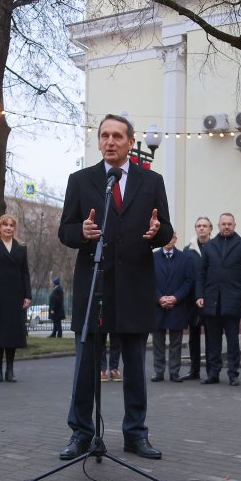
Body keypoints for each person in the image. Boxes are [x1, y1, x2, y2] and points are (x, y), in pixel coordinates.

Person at [57, 113, 173, 461]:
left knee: (135, 368)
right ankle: (80, 434)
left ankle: (135, 435)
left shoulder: (151, 181)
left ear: (130, 141)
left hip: (135, 286)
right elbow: (65, 230)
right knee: (86, 368)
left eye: (117, 136)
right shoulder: (81, 180)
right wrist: (82, 233)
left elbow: (166, 229)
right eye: (104, 136)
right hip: (94, 286)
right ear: (98, 141)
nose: (110, 142)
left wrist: (158, 234)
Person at [195, 213, 241, 386]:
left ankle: (233, 374)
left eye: (229, 224)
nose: (226, 227)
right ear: (218, 226)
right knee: (212, 341)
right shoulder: (209, 246)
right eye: (223, 224)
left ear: (235, 225)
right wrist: (199, 295)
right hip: (211, 300)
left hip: (233, 300)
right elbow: (201, 273)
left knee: (233, 340)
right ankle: (213, 373)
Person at [0, 214, 32, 383]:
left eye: (11, 225)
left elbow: (25, 273)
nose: (8, 228)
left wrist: (27, 295)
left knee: (11, 334)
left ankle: (10, 370)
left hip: (15, 296)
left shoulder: (21, 248)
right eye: (5, 225)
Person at [151, 232, 195, 383]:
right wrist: (159, 297)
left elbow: (188, 281)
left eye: (172, 237)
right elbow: (148, 280)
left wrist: (176, 298)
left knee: (176, 342)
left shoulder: (185, 258)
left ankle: (175, 372)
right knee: (158, 342)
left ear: (176, 239)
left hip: (178, 306)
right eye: (166, 237)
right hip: (158, 305)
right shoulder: (153, 257)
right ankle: (158, 372)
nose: (169, 240)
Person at [181, 216, 212, 380]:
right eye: (199, 226)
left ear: (210, 229)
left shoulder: (215, 247)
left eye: (205, 226)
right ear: (195, 229)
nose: (201, 228)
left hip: (210, 298)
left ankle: (210, 371)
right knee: (193, 336)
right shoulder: (188, 250)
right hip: (192, 300)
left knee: (210, 336)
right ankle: (194, 370)